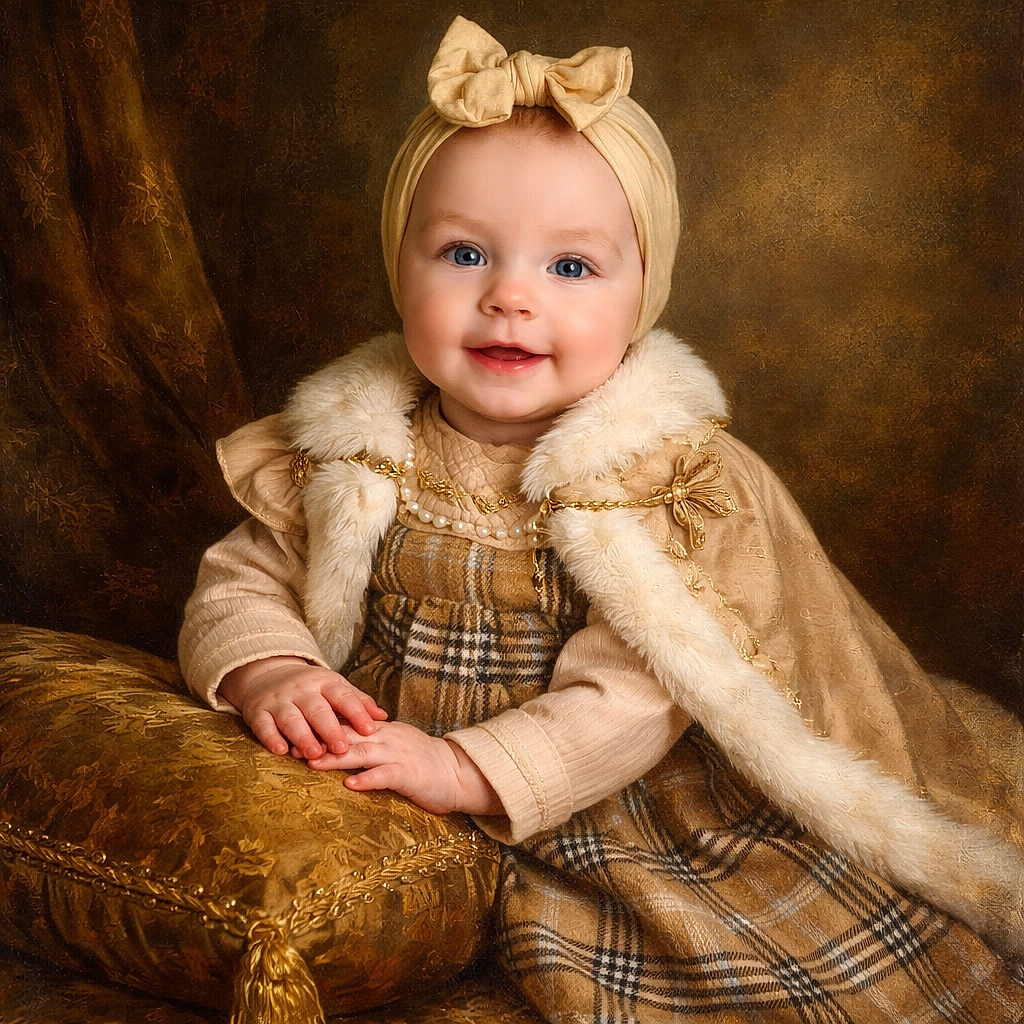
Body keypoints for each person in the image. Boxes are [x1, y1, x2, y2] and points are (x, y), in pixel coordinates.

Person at [180, 16, 1024, 1021]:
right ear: (397, 266)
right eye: (461, 253)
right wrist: (267, 665)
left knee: (682, 956)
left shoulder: (653, 478)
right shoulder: (354, 448)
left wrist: (469, 767)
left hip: (598, 792)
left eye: (570, 268)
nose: (508, 299)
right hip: (385, 772)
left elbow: (637, 693)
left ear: (640, 299)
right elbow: (244, 574)